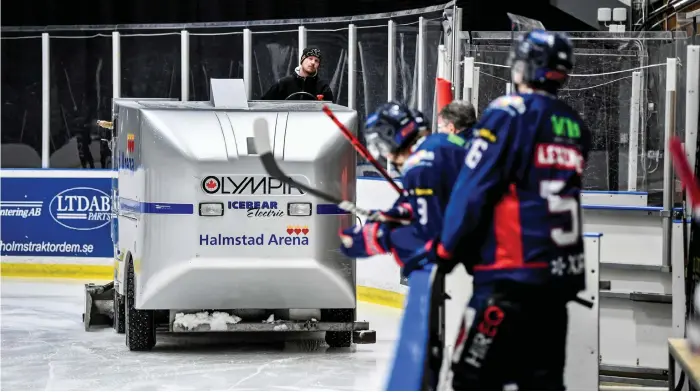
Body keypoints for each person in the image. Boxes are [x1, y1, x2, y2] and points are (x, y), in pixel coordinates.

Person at [421, 30, 591, 390]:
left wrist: (445, 250)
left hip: (509, 282)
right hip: (556, 283)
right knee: (542, 384)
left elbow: (473, 190)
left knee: (471, 380)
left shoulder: (509, 112)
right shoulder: (574, 125)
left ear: (525, 68)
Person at [336, 102, 468, 268]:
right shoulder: (441, 142)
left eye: (381, 146)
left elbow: (431, 240)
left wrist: (376, 238)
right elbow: (445, 202)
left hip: (495, 259)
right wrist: (396, 213)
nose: (387, 155)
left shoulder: (420, 166)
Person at [260, 47, 334, 102]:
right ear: (302, 59)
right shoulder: (284, 83)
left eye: (316, 61)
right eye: (310, 58)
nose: (313, 62)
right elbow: (264, 103)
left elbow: (330, 112)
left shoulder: (323, 87)